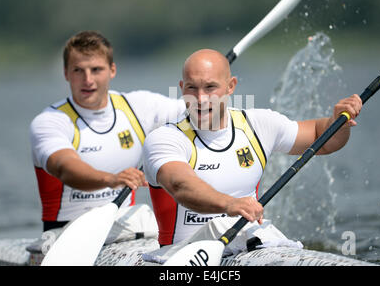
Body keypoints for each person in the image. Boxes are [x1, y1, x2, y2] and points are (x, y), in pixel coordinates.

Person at [143, 48, 363, 246]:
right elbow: (181, 186)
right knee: (221, 226)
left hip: (248, 245)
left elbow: (322, 138)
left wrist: (339, 122)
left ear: (231, 86)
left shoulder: (259, 125)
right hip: (181, 255)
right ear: (182, 88)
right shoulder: (165, 138)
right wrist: (229, 204)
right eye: (192, 88)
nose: (200, 99)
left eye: (210, 87)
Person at [30, 31, 185, 231]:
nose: (88, 80)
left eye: (96, 70)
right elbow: (63, 167)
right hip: (64, 232)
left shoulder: (139, 106)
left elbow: (196, 112)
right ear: (66, 73)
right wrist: (111, 179)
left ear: (112, 70)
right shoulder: (51, 121)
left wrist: (208, 91)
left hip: (122, 227)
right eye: (78, 70)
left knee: (147, 218)